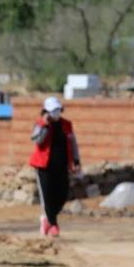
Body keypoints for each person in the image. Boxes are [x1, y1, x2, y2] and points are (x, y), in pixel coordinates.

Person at [29, 96, 81, 237]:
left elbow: (73, 143)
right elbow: (38, 141)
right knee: (47, 197)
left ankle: (47, 218)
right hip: (44, 167)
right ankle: (53, 225)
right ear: (46, 111)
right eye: (53, 111)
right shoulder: (40, 124)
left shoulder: (67, 125)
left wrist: (76, 160)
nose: (56, 114)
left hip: (62, 166)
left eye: (58, 110)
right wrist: (45, 125)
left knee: (62, 195)